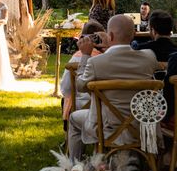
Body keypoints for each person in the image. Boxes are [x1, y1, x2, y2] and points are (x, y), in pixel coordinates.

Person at [68, 15, 159, 161]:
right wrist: (111, 45)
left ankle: (74, 167)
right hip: (142, 126)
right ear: (134, 34)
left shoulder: (96, 63)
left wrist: (85, 55)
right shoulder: (149, 58)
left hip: (107, 128)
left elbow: (80, 86)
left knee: (73, 118)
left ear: (110, 35)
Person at [60, 19, 106, 122]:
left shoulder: (75, 58)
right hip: (103, 106)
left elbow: (65, 88)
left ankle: (69, 132)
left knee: (65, 100)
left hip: (79, 107)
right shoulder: (106, 58)